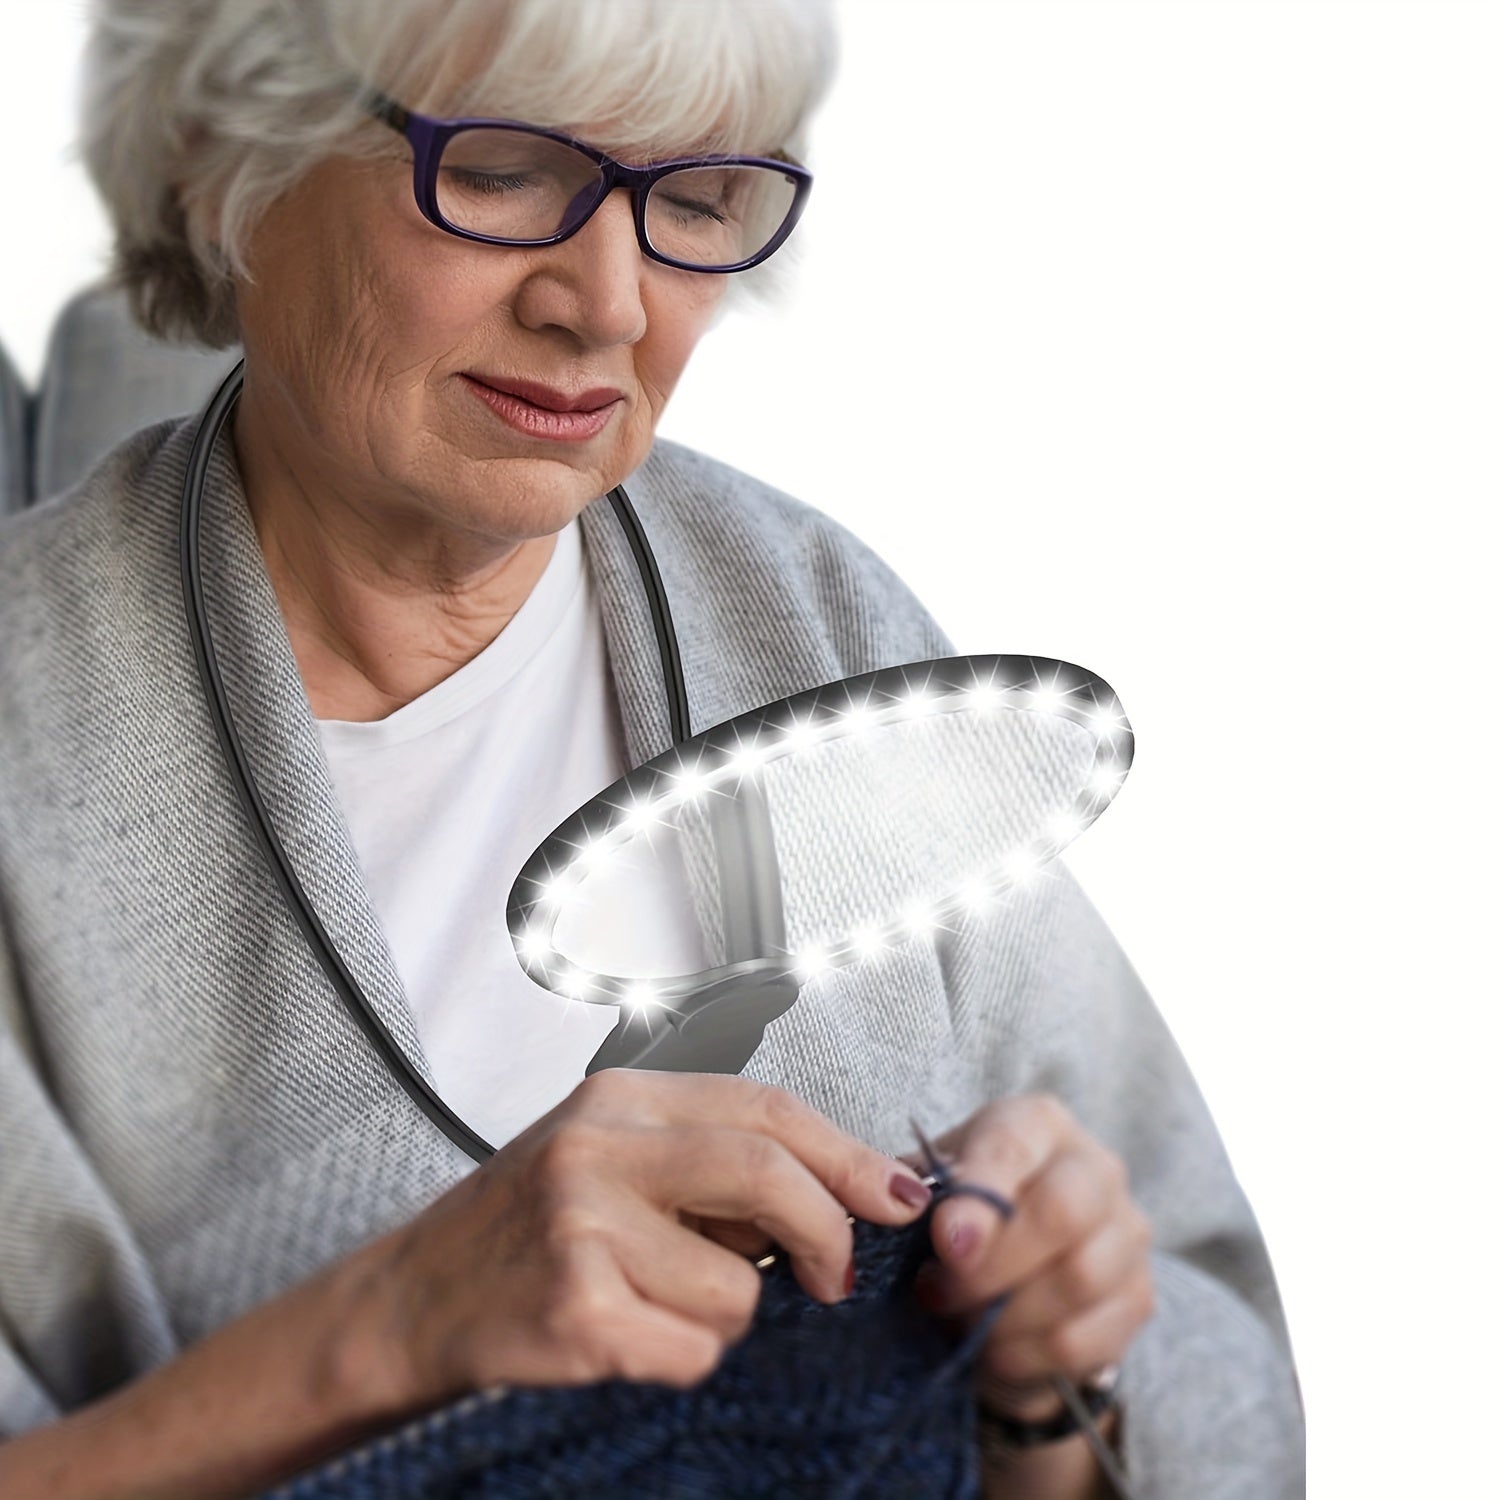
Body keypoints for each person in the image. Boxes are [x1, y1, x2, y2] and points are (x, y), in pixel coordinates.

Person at [0, 1, 1304, 1496]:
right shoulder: (38, 755)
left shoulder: (816, 627)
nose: (609, 303)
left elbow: (1215, 1357)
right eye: (498, 170)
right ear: (226, 155)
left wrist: (1053, 1384)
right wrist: (388, 1326)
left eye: (693, 200)